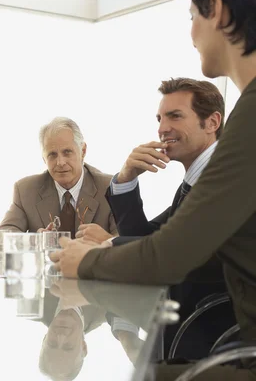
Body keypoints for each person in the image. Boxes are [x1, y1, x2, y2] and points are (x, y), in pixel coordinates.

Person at [54, 0, 256, 377]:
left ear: (215, 10)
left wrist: (91, 259)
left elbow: (169, 254)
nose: (192, 33)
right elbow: (162, 238)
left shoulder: (249, 123)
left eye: (192, 17)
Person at [73, 78, 231, 358]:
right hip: (182, 329)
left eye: (175, 116)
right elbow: (149, 238)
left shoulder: (223, 181)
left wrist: (108, 247)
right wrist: (126, 178)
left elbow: (183, 255)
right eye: (160, 118)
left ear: (212, 122)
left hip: (210, 344)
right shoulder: (198, 181)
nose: (162, 128)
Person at [0, 117, 117, 237]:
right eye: (52, 155)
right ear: (44, 158)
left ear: (83, 151)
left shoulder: (110, 188)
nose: (60, 162)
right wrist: (35, 240)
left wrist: (104, 241)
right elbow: (2, 235)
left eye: (67, 152)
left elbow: (128, 243)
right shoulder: (26, 190)